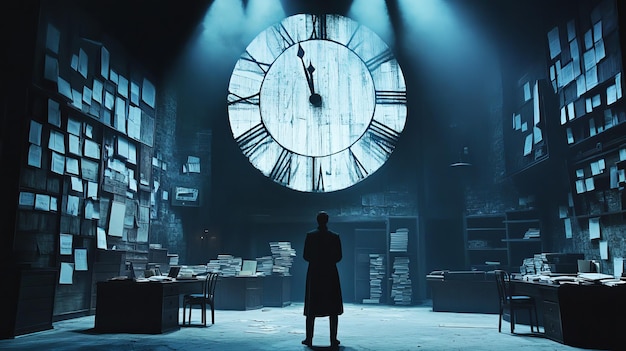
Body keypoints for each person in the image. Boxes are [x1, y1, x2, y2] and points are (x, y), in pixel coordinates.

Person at [302, 211, 343, 348]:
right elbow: (339, 257)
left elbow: (305, 256)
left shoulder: (310, 236)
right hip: (330, 273)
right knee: (333, 308)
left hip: (315, 273)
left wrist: (317, 261)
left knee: (312, 307)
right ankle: (333, 339)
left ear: (317, 220)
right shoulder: (334, 237)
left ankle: (309, 338)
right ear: (327, 220)